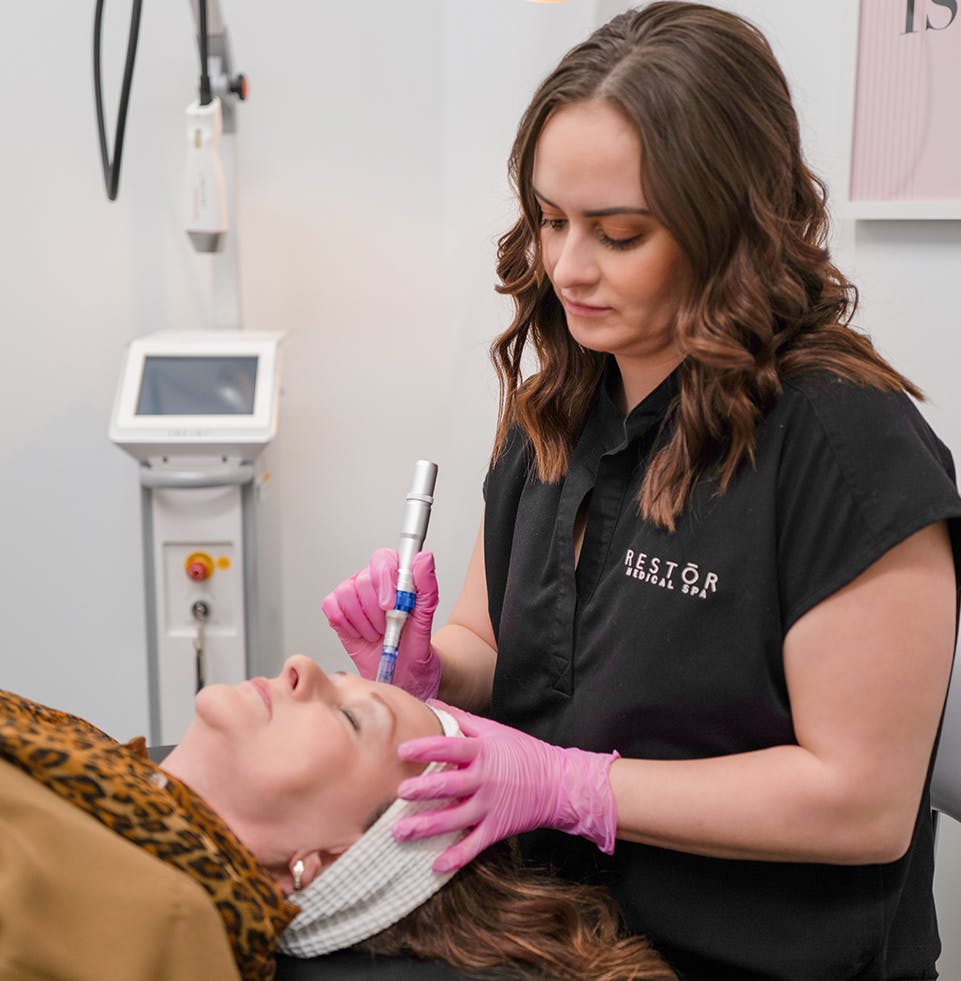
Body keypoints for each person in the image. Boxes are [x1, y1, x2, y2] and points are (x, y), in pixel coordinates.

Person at [321, 3, 961, 979]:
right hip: (547, 932)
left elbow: (862, 805)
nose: (568, 269)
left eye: (618, 234)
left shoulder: (842, 443)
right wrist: (427, 673)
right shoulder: (559, 405)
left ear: (727, 225)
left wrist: (574, 787)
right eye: (549, 221)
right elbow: (496, 644)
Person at [0, 657, 676, 981]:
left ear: (324, 860)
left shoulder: (150, 921)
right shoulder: (83, 764)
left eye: (352, 716)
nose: (301, 666)